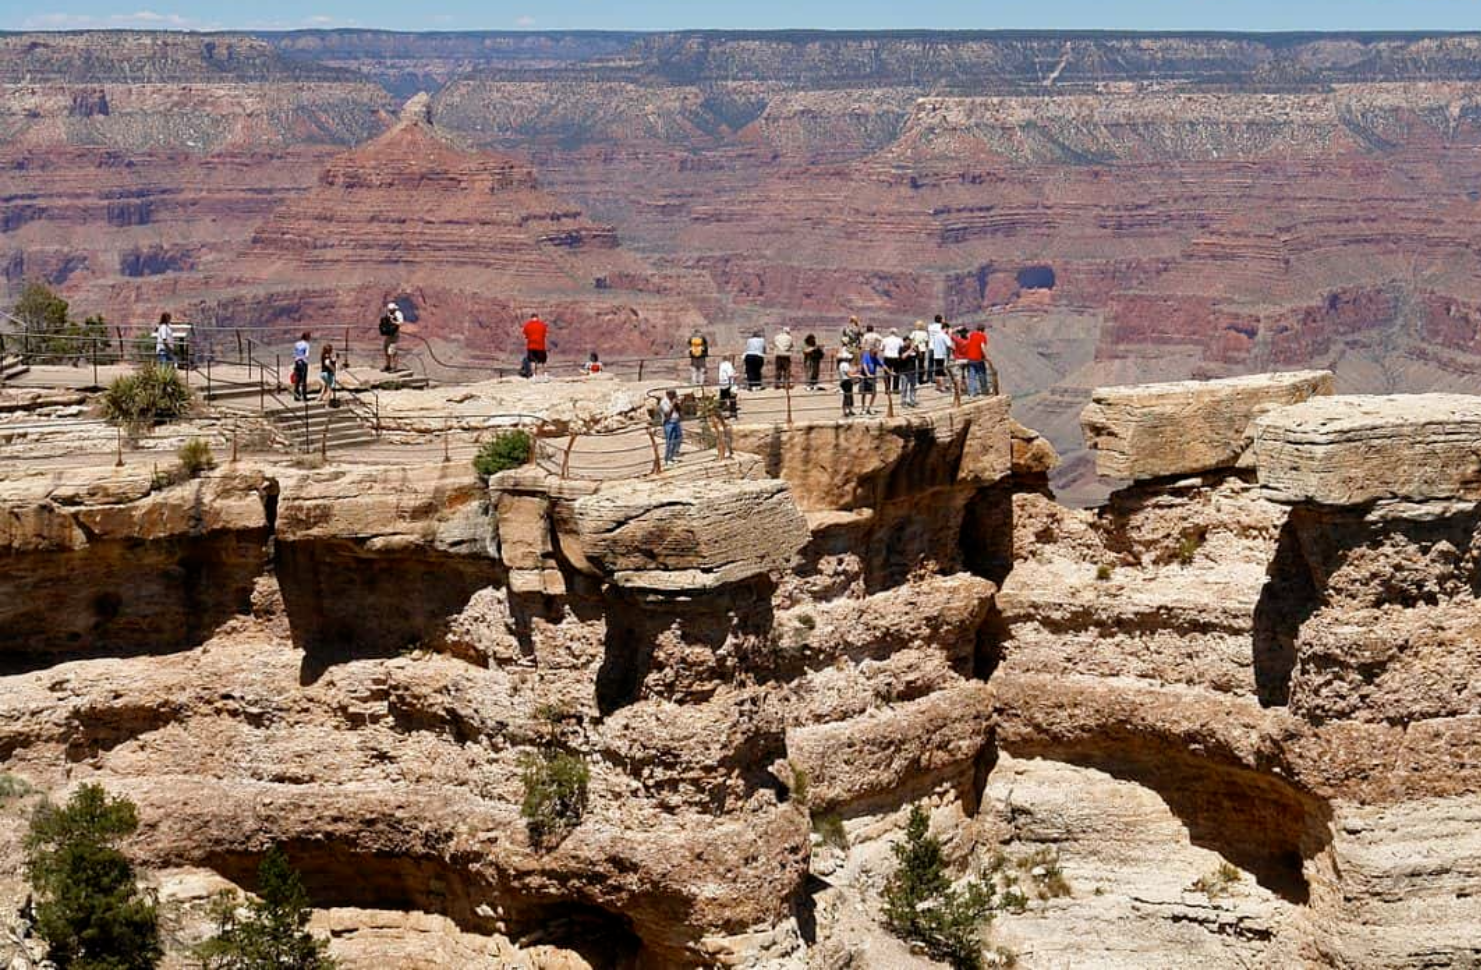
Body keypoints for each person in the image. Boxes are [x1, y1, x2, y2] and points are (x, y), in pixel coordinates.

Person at [967, 323, 991, 397]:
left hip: (970, 358)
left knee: (972, 375)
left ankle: (972, 392)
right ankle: (984, 391)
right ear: (983, 330)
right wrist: (986, 357)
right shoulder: (982, 336)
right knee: (982, 374)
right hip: (978, 359)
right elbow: (982, 346)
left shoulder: (972, 335)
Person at [660, 388, 683, 465]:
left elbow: (679, 411)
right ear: (668, 394)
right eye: (673, 394)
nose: (674, 396)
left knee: (678, 439)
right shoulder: (664, 402)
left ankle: (672, 456)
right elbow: (667, 413)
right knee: (670, 441)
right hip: (669, 423)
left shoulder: (674, 401)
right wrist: (672, 404)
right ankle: (667, 458)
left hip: (676, 422)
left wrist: (678, 405)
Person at [930, 318, 954, 392]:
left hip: (936, 355)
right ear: (946, 328)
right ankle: (942, 387)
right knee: (942, 371)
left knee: (938, 371)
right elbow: (950, 345)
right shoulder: (944, 336)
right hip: (942, 356)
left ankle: (938, 386)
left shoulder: (936, 336)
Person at [523, 313, 549, 379]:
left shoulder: (527, 325)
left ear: (531, 318)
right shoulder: (542, 325)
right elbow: (544, 334)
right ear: (537, 317)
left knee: (532, 361)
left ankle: (534, 376)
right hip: (541, 346)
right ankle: (545, 375)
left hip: (531, 346)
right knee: (543, 361)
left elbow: (525, 335)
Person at [880, 327, 905, 396]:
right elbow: (902, 347)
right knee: (896, 373)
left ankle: (887, 389)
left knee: (887, 374)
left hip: (887, 357)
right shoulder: (899, 340)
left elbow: (882, 348)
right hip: (896, 357)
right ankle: (895, 389)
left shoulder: (885, 339)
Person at [380, 302, 403, 372]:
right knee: (386, 349)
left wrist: (393, 322)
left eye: (391, 309)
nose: (390, 311)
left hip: (394, 335)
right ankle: (388, 365)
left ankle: (395, 367)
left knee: (393, 351)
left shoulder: (398, 314)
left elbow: (401, 323)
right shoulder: (388, 313)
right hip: (389, 334)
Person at [859, 343, 881, 415]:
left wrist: (889, 372)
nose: (876, 353)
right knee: (864, 393)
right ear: (871, 350)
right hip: (865, 377)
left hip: (872, 377)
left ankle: (869, 408)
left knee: (874, 393)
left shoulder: (875, 357)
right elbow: (864, 365)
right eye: (875, 352)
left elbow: (882, 365)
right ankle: (863, 409)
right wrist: (868, 374)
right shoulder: (865, 356)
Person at [899, 335, 920, 408]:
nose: (909, 342)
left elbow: (919, 356)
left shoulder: (914, 348)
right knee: (904, 388)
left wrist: (917, 350)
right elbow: (903, 357)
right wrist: (910, 350)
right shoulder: (902, 348)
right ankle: (903, 402)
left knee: (913, 387)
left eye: (910, 341)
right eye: (908, 341)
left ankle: (912, 401)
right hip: (904, 371)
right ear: (904, 341)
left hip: (913, 370)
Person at [909, 319, 931, 389]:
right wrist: (926, 347)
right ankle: (920, 379)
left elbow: (911, 340)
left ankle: (913, 380)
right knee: (921, 365)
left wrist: (912, 347)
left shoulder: (914, 332)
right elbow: (927, 342)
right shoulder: (925, 333)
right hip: (922, 350)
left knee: (914, 365)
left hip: (915, 350)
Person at [292, 332, 311, 401]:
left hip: (297, 362)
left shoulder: (297, 344)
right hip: (303, 362)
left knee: (297, 380)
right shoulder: (306, 344)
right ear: (307, 337)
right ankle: (304, 396)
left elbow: (294, 354)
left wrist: (297, 358)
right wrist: (304, 358)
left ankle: (296, 396)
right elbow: (307, 355)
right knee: (303, 380)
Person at [837, 352, 856, 418]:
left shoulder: (841, 364)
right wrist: (857, 376)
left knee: (848, 396)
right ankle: (846, 411)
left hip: (844, 381)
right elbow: (849, 374)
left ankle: (848, 410)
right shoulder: (845, 365)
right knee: (847, 396)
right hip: (846, 381)